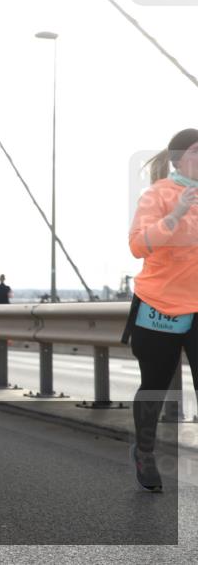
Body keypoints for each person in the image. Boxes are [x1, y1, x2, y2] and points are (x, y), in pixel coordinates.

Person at [126, 128, 198, 493]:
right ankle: (145, 451)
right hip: (161, 307)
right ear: (179, 158)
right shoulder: (158, 195)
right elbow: (138, 246)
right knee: (155, 386)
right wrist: (177, 215)